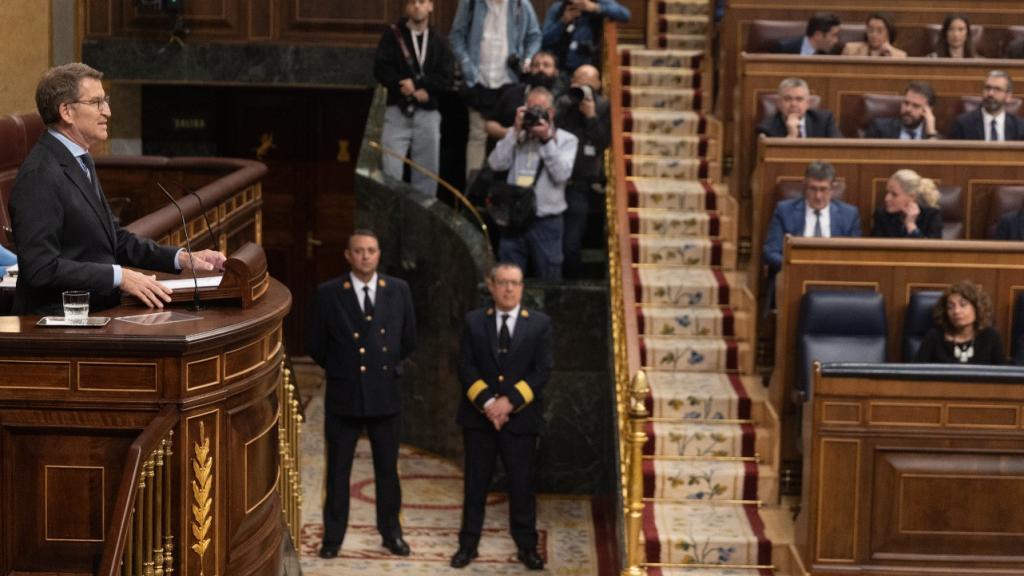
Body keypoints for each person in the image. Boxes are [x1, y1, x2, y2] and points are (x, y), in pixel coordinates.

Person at [9, 63, 225, 316]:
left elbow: (114, 239)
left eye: (106, 101)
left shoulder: (79, 160)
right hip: (56, 326)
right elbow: (40, 268)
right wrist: (118, 276)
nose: (108, 112)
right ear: (66, 111)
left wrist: (181, 258)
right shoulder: (40, 175)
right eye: (97, 102)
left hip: (96, 313)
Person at [307, 229, 417, 560]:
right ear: (347, 255)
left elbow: (408, 339)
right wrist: (344, 369)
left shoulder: (398, 290)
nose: (365, 256)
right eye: (358, 251)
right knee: (338, 472)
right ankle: (333, 537)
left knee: (387, 472)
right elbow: (316, 344)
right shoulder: (328, 293)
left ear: (379, 254)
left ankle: (391, 533)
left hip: (385, 395)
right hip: (344, 396)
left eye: (371, 250)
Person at [450, 262, 552, 571]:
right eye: (503, 283)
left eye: (515, 283)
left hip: (520, 421)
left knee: (521, 486)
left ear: (522, 288)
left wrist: (508, 403)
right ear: (491, 286)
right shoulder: (473, 322)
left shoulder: (539, 323)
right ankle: (468, 545)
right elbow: (466, 367)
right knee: (475, 485)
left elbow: (542, 371)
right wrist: (488, 403)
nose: (509, 289)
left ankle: (527, 547)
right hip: (479, 419)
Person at [487, 86, 578, 280]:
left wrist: (546, 140)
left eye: (539, 109)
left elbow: (562, 174)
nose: (534, 114)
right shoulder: (515, 135)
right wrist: (514, 133)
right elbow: (495, 164)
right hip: (513, 218)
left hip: (546, 221)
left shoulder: (566, 140)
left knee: (549, 278)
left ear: (551, 112)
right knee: (508, 279)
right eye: (530, 109)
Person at [450, 0, 542, 179]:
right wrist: (466, 63)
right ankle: (472, 193)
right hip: (478, 81)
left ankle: (506, 193)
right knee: (477, 136)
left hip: (509, 82)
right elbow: (456, 35)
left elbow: (535, 35)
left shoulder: (521, 5)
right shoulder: (470, 3)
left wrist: (528, 59)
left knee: (510, 138)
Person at [374, 0, 455, 201]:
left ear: (431, 6)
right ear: (406, 7)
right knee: (391, 168)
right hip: (397, 111)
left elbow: (447, 77)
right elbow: (381, 69)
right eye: (412, 2)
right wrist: (403, 86)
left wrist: (421, 85)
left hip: (428, 112)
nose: (417, 6)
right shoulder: (392, 35)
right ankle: (391, 212)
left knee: (427, 173)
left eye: (422, 1)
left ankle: (422, 219)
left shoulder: (439, 41)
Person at [555, 64, 609, 278]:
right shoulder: (564, 102)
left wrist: (591, 116)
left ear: (598, 84)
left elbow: (602, 142)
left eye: (589, 81)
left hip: (580, 187)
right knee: (550, 244)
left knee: (570, 245)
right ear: (571, 82)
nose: (583, 86)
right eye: (579, 80)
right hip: (554, 183)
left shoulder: (604, 107)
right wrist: (565, 104)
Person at [762, 161, 861, 275]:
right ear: (804, 186)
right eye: (813, 189)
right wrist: (795, 266)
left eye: (823, 189)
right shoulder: (785, 211)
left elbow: (855, 255)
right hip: (794, 274)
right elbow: (770, 252)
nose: (818, 196)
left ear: (832, 189)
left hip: (834, 277)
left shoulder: (849, 214)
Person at [914, 281, 1005, 364]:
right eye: (950, 307)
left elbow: (1003, 376)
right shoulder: (934, 337)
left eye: (963, 305)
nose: (956, 311)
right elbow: (916, 374)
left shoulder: (991, 337)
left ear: (977, 307)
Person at [485, 50, 563, 145]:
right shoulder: (512, 92)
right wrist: (511, 134)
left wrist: (547, 135)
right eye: (536, 65)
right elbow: (489, 124)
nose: (540, 69)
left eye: (546, 65)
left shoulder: (562, 100)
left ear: (556, 72)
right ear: (529, 69)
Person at [540, 0, 631, 76]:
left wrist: (595, 7)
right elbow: (544, 40)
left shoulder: (597, 3)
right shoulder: (558, 8)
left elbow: (625, 15)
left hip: (587, 68)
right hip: (559, 68)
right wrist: (563, 21)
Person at [947, 71, 1024, 141]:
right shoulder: (963, 124)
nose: (990, 93)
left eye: (997, 89)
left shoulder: (1020, 127)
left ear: (1008, 96)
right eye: (987, 88)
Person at [755, 78, 841, 139]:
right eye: (787, 99)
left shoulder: (824, 120)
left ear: (808, 103)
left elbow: (838, 149)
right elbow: (769, 162)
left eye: (799, 99)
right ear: (779, 103)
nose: (793, 104)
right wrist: (791, 136)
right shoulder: (767, 128)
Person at [871, 169, 942, 238]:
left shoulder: (931, 215)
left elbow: (931, 249)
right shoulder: (881, 215)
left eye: (894, 194)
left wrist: (910, 224)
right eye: (887, 192)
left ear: (912, 197)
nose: (886, 198)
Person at [863, 82, 938, 140]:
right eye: (906, 103)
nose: (908, 109)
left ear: (928, 110)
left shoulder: (933, 136)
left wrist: (931, 132)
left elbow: (937, 158)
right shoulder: (880, 128)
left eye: (915, 106)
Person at [841, 12, 906, 58]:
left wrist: (889, 53)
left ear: (888, 33)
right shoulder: (850, 50)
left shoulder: (900, 56)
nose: (874, 34)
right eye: (870, 30)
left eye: (879, 31)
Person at [773, 12, 841, 56]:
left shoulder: (831, 53)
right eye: (833, 35)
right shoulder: (784, 48)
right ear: (818, 35)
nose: (836, 40)